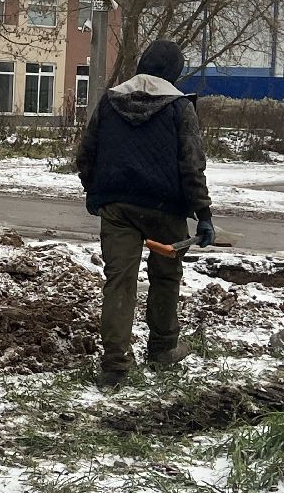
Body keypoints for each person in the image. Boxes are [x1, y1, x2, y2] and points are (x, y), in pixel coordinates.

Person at [76, 40, 214, 388]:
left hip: (117, 207)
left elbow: (86, 153)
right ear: (174, 73)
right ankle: (163, 348)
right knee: (165, 276)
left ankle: (115, 366)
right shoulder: (179, 107)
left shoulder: (110, 100)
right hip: (165, 209)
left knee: (119, 282)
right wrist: (203, 213)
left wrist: (94, 192)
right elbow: (192, 165)